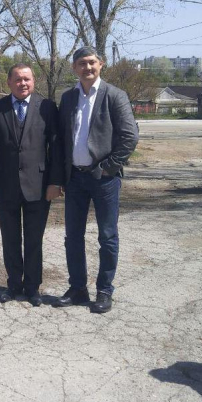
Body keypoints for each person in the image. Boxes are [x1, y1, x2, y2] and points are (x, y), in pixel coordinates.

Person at [54, 46, 139, 314]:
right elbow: (61, 137)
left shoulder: (114, 95)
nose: (87, 67)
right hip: (75, 178)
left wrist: (108, 168)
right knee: (73, 237)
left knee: (107, 236)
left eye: (92, 62)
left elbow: (130, 136)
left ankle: (104, 290)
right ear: (74, 68)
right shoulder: (68, 97)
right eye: (81, 63)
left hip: (104, 179)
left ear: (101, 64)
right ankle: (78, 288)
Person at [0, 64, 63, 306]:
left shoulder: (47, 107)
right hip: (4, 186)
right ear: (9, 82)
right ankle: (14, 284)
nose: (22, 83)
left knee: (34, 240)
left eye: (27, 79)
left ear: (34, 81)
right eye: (17, 79)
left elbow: (56, 147)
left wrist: (56, 182)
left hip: (39, 185)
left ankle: (33, 287)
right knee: (10, 238)